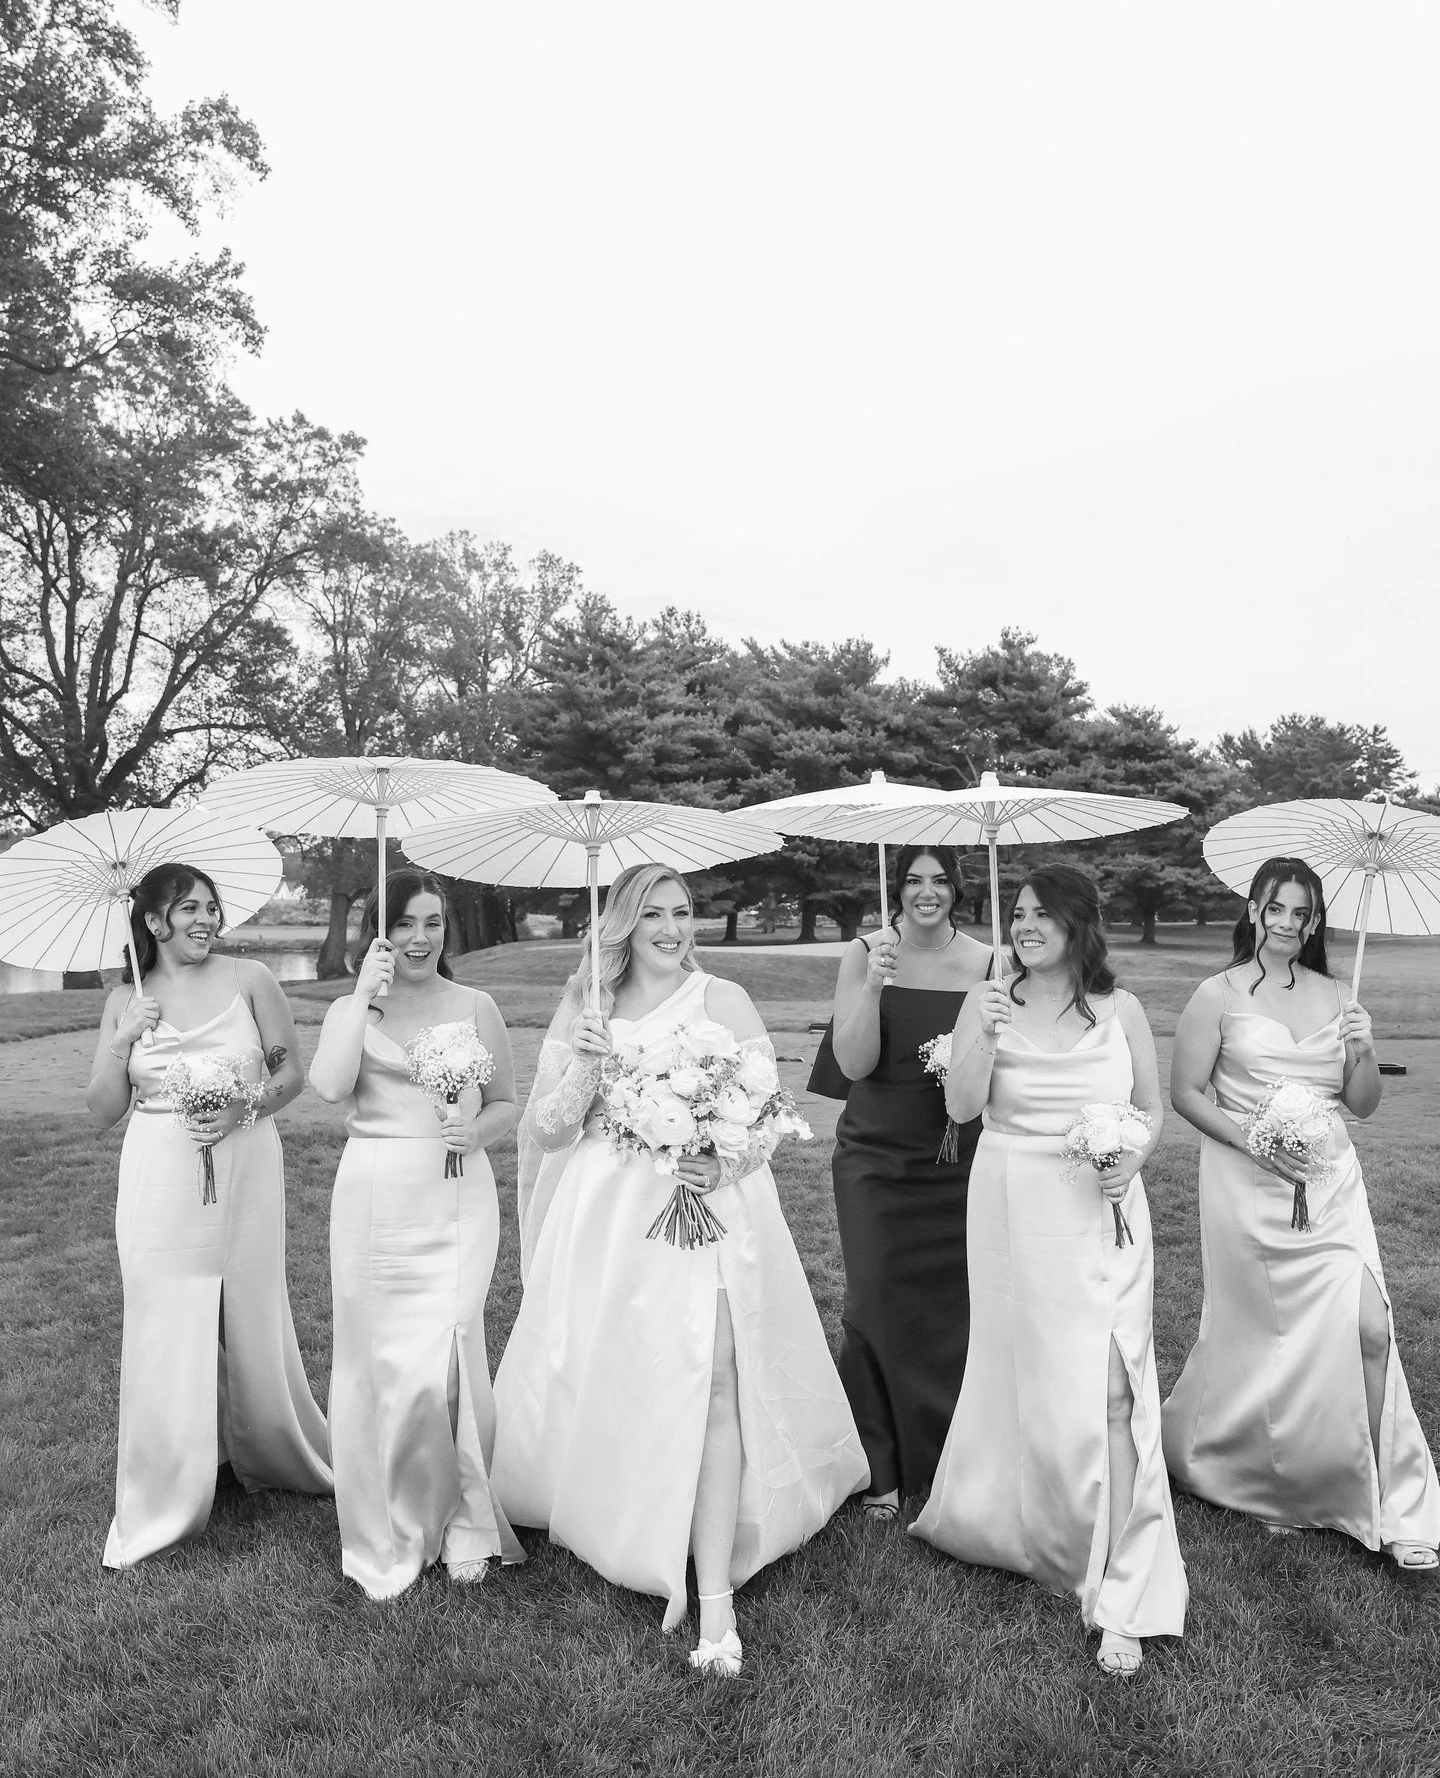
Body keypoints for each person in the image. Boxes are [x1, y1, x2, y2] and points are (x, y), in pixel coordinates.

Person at [491, 863, 868, 1676]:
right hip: (613, 1220)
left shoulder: (723, 1000)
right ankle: (626, 1510)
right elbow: (549, 1132)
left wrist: (721, 1164)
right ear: (622, 922)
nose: (672, 926)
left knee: (719, 1379)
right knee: (634, 1371)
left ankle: (716, 1601)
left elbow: (767, 1121)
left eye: (683, 911)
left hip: (713, 1218)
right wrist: (588, 1064)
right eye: (653, 913)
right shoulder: (584, 1006)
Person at [910, 866, 1187, 1677]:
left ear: (1078, 924)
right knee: (1024, 1369)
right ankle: (1033, 1529)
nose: (1026, 925)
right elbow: (961, 1110)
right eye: (1019, 913)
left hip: (1099, 1207)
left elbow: (1151, 1107)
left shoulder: (1121, 1008)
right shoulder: (985, 999)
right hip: (1008, 1203)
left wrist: (1132, 1155)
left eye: (1042, 914)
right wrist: (984, 1031)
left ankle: (1120, 1576)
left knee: (1112, 1383)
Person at [1162, 856, 1440, 1570]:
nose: (1286, 922)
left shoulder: (1339, 996)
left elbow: (1365, 1104)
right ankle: (1270, 1477)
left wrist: (1364, 1045)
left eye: (1301, 912)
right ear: (1252, 908)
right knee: (1265, 1341)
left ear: (1316, 921)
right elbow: (1187, 1094)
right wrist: (1252, 1141)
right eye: (1274, 907)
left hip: (1331, 1183)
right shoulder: (1214, 995)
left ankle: (1389, 1495)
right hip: (1244, 1186)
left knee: (1371, 1329)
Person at [88, 862, 330, 1568]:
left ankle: (265, 1450)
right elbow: (103, 1109)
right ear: (154, 922)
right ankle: (167, 1486)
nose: (205, 920)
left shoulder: (250, 980)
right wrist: (121, 1038)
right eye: (188, 908)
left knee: (247, 1305)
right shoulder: (124, 997)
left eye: (211, 908)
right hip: (158, 1170)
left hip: (247, 1161)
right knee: (164, 1314)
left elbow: (289, 1075)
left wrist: (238, 1109)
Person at [309, 869, 524, 1598]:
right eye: (405, 924)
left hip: (457, 1200)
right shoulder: (355, 1006)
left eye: (433, 923)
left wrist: (474, 1132)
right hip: (372, 1200)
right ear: (381, 929)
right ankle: (387, 1520)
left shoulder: (475, 1005)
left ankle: (465, 1519)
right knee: (378, 1365)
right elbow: (332, 1087)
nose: (420, 938)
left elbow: (505, 1105)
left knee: (451, 1358)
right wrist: (358, 1001)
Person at [822, 846, 993, 1518]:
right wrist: (873, 988)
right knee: (873, 1299)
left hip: (958, 1156)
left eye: (940, 881)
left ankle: (947, 1449)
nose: (927, 892)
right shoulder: (866, 953)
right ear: (898, 890)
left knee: (953, 1306)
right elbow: (853, 1061)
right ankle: (879, 1464)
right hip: (875, 1154)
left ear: (957, 888)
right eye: (914, 880)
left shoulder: (988, 963)